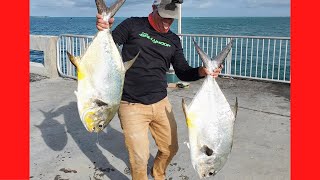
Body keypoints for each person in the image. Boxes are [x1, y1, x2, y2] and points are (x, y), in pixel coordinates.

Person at [96, 0, 222, 179]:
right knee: (139, 158)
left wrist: (203, 71)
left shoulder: (173, 40)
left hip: (161, 102)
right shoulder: (133, 25)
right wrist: (103, 29)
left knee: (171, 148)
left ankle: (158, 173)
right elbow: (107, 44)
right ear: (154, 8)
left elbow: (183, 72)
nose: (167, 22)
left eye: (171, 19)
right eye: (164, 17)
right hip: (131, 104)